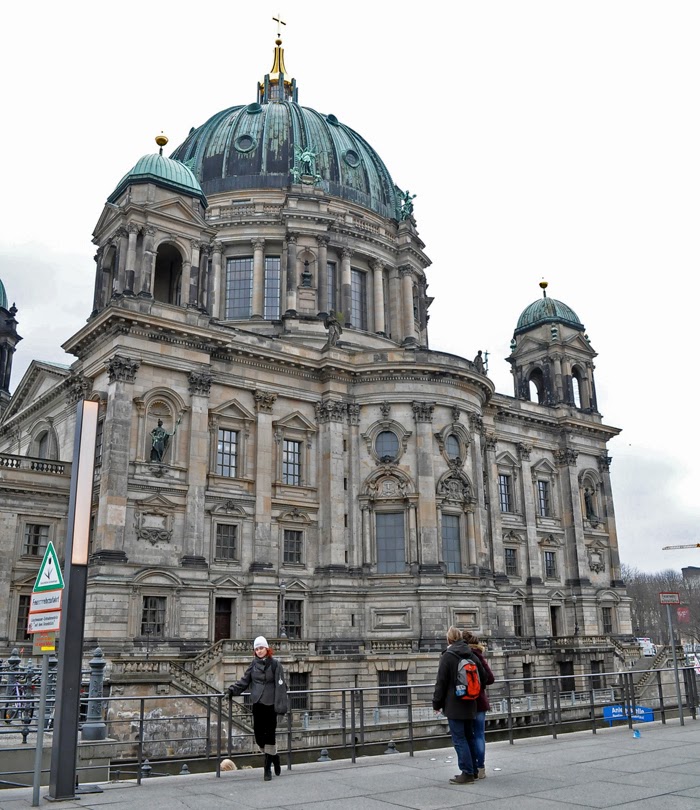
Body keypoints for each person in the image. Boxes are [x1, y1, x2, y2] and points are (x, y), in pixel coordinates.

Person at [228, 636, 288, 781]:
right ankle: (275, 756)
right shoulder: (253, 665)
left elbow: (281, 688)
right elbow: (244, 681)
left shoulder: (275, 665)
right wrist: (232, 690)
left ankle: (267, 769)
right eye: (257, 649)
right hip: (258, 704)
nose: (259, 651)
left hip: (271, 705)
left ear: (267, 649)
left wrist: (281, 709)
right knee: (259, 737)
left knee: (269, 736)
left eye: (261, 648)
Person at [432, 626, 485, 785]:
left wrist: (436, 704)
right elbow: (483, 677)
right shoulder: (471, 653)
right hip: (470, 703)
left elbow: (441, 683)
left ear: (449, 639)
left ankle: (466, 773)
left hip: (454, 705)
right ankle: (474, 771)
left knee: (459, 739)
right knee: (469, 737)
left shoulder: (448, 656)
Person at [462, 630, 495, 779]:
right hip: (480, 701)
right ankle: (481, 768)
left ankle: (471, 767)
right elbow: (490, 678)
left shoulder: (461, 655)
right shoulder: (479, 656)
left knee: (468, 735)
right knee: (480, 735)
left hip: (466, 701)